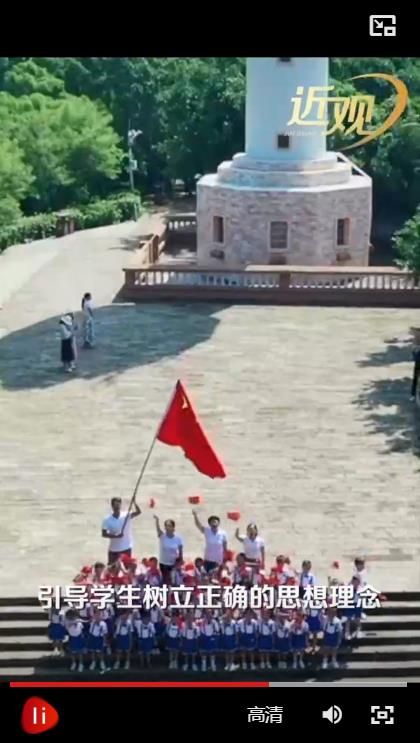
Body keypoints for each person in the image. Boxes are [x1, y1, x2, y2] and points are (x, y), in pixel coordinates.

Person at [102, 497, 141, 564]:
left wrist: (134, 502)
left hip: (126, 547)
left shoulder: (126, 515)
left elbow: (138, 512)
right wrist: (115, 536)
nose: (117, 507)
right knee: (112, 568)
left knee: (126, 567)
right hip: (114, 549)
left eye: (118, 505)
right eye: (115, 505)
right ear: (112, 506)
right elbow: (104, 534)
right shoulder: (107, 519)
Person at [153, 515, 184, 585]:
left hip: (174, 564)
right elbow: (158, 529)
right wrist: (157, 520)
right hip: (163, 563)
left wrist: (180, 561)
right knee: (166, 581)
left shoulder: (178, 538)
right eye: (166, 526)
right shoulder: (162, 536)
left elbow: (180, 551)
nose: (167, 527)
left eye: (169, 526)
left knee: (173, 581)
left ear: (173, 527)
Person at [321, 606, 343, 670]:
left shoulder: (338, 621)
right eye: (330, 612)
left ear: (335, 613)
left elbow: (340, 631)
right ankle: (325, 661)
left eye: (333, 613)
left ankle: (334, 661)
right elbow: (323, 628)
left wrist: (339, 639)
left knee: (334, 649)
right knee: (326, 649)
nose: (331, 614)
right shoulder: (325, 619)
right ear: (328, 613)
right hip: (327, 636)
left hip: (334, 636)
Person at [87, 609, 108, 674]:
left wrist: (104, 641)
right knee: (93, 651)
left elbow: (104, 633)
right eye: (96, 614)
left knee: (100, 652)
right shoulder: (92, 622)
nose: (97, 615)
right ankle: (93, 662)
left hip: (99, 638)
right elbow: (90, 630)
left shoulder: (103, 623)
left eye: (99, 614)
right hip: (92, 638)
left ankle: (102, 662)